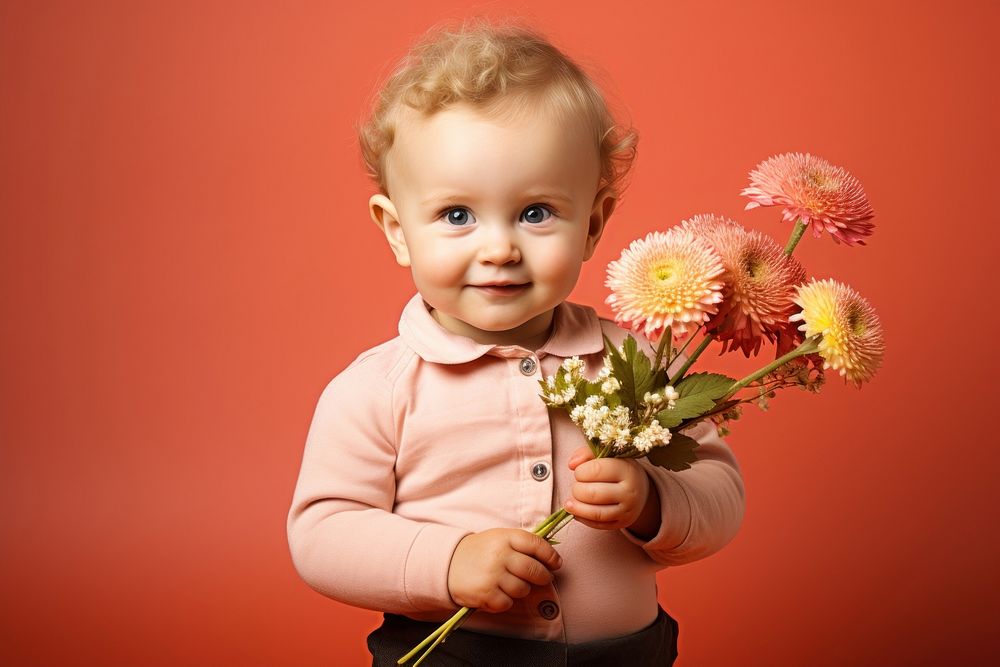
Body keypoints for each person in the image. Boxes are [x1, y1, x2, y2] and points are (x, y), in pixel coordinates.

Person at [286, 18, 745, 666]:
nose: (499, 247)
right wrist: (446, 562)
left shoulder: (636, 363)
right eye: (457, 215)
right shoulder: (379, 390)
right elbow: (322, 534)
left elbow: (720, 492)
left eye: (535, 212)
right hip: (456, 654)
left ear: (592, 223)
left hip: (624, 653)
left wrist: (652, 502)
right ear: (396, 230)